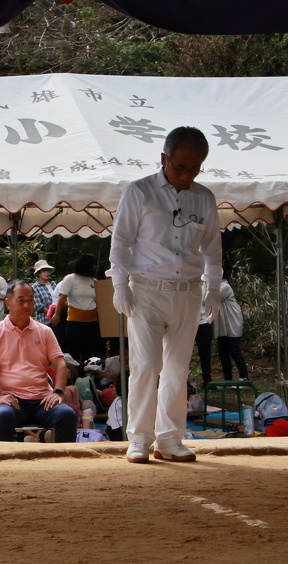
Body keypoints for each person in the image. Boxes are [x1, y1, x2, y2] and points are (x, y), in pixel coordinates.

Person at [107, 126, 222, 464]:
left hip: (188, 291)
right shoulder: (139, 191)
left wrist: (214, 288)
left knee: (177, 368)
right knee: (145, 365)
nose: (186, 176)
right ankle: (139, 438)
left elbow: (212, 249)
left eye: (194, 169)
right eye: (180, 167)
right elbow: (121, 241)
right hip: (146, 289)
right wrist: (120, 284)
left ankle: (169, 439)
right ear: (164, 159)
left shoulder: (204, 197)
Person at [0, 280, 77, 443]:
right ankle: (2, 459)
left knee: (67, 414)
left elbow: (61, 365)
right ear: (8, 303)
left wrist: (58, 392)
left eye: (30, 300)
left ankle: (63, 458)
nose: (26, 305)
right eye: (21, 300)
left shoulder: (45, 331)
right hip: (11, 400)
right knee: (3, 415)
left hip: (43, 400)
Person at [51, 254, 101, 362]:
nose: (95, 266)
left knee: (91, 352)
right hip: (75, 321)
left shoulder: (94, 281)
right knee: (74, 351)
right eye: (93, 264)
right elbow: (62, 297)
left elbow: (98, 301)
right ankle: (74, 372)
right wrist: (57, 314)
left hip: (92, 322)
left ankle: (89, 372)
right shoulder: (70, 279)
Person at [214, 267, 248, 381]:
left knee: (234, 349)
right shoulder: (216, 287)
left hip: (232, 321)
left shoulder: (225, 287)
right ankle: (228, 379)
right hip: (222, 324)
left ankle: (244, 377)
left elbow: (212, 298)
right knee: (223, 352)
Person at [32, 260, 56, 326]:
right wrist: (52, 314)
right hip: (44, 321)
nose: (46, 272)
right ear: (39, 273)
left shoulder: (53, 284)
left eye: (48, 270)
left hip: (57, 319)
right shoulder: (35, 287)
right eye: (44, 271)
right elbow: (38, 305)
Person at [194, 304, 213, 385]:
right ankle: (184, 380)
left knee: (205, 353)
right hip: (187, 323)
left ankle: (207, 379)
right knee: (184, 353)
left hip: (204, 323)